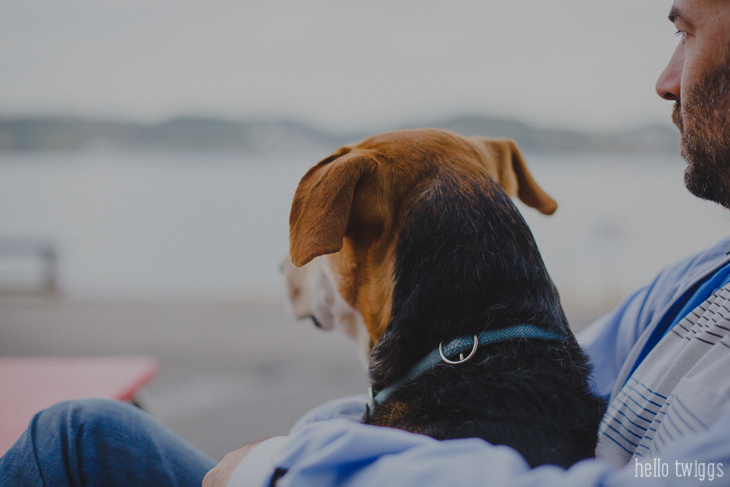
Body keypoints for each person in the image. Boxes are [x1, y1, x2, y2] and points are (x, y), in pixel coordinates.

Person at [3, 0, 730, 485]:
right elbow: (544, 360)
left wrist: (283, 464)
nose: (665, 81)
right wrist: (316, 442)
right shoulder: (699, 279)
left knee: (71, 442)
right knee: (85, 432)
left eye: (687, 29)